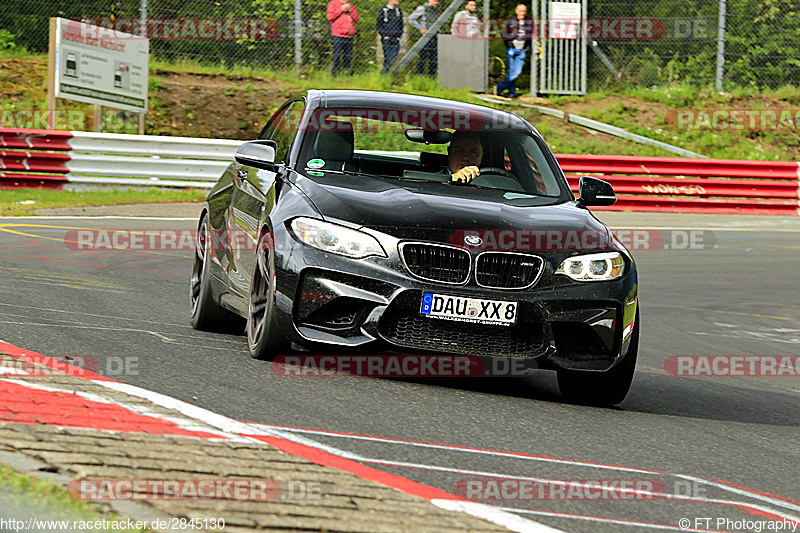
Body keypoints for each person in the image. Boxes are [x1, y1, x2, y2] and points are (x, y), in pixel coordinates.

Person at [495, 4, 532, 98]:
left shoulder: (529, 22)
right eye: (520, 11)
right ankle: (512, 92)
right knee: (512, 72)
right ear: (516, 11)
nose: (522, 13)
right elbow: (504, 33)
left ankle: (499, 88)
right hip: (511, 48)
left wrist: (527, 48)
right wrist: (508, 43)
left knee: (516, 72)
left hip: (522, 49)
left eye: (524, 11)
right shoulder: (510, 21)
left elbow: (531, 36)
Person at [327, 0, 360, 77]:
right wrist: (342, 9)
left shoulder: (350, 5)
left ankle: (346, 74)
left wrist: (350, 11)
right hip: (338, 34)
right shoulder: (333, 3)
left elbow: (356, 19)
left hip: (349, 35)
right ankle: (334, 74)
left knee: (348, 56)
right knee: (337, 55)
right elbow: (330, 17)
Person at [408, 0, 439, 77]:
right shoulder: (422, 8)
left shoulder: (435, 10)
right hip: (425, 36)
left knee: (434, 57)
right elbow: (411, 19)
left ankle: (431, 76)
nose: (436, 2)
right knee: (423, 57)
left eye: (437, 1)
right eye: (435, 0)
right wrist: (420, 28)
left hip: (434, 36)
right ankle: (420, 75)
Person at [376, 0, 403, 74]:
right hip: (387, 37)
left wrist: (399, 36)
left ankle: (385, 72)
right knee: (387, 57)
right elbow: (379, 24)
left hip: (396, 38)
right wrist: (384, 35)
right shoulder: (383, 10)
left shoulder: (398, 11)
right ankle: (385, 73)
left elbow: (401, 24)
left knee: (393, 57)